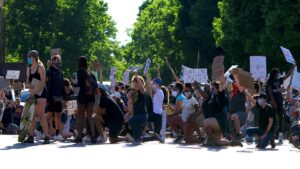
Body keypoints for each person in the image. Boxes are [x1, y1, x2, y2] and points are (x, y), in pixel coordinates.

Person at [24, 50, 50, 144]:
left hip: (41, 93)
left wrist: (36, 90)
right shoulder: (29, 69)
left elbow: (43, 82)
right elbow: (27, 82)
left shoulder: (40, 67)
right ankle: (31, 136)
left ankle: (47, 136)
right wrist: (29, 85)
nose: (28, 59)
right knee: (32, 115)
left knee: (41, 114)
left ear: (34, 57)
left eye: (29, 57)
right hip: (33, 93)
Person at [267, 65, 295, 143]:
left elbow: (287, 75)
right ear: (274, 74)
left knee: (280, 118)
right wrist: (273, 101)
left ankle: (280, 135)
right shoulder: (270, 81)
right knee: (273, 119)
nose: (278, 75)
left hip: (279, 102)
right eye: (277, 73)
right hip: (273, 103)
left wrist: (292, 68)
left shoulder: (279, 80)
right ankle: (271, 135)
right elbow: (269, 92)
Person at [73, 56, 97, 143]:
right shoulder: (91, 73)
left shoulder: (80, 71)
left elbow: (78, 84)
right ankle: (93, 136)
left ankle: (79, 136)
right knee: (90, 116)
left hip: (83, 95)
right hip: (91, 97)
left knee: (80, 116)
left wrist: (73, 83)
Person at [46, 54, 66, 141]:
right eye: (57, 60)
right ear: (53, 61)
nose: (59, 62)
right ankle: (40, 130)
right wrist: (49, 98)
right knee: (49, 115)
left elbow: (62, 85)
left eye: (60, 60)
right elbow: (48, 85)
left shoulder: (60, 72)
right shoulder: (49, 71)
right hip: (51, 97)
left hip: (58, 97)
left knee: (58, 115)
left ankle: (58, 134)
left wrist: (65, 97)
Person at [127, 71, 148, 144]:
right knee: (131, 120)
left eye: (134, 82)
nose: (133, 84)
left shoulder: (142, 92)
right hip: (136, 115)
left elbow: (142, 87)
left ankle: (138, 138)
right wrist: (129, 99)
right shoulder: (133, 93)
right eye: (133, 82)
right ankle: (137, 138)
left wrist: (136, 76)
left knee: (132, 120)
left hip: (142, 115)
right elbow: (130, 110)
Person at [144, 75, 164, 142]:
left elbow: (150, 86)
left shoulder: (159, 92)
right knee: (146, 120)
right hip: (156, 113)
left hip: (157, 114)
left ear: (158, 84)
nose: (153, 84)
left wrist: (146, 75)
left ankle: (148, 133)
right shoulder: (157, 92)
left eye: (154, 83)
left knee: (156, 133)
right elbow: (149, 86)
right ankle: (147, 133)